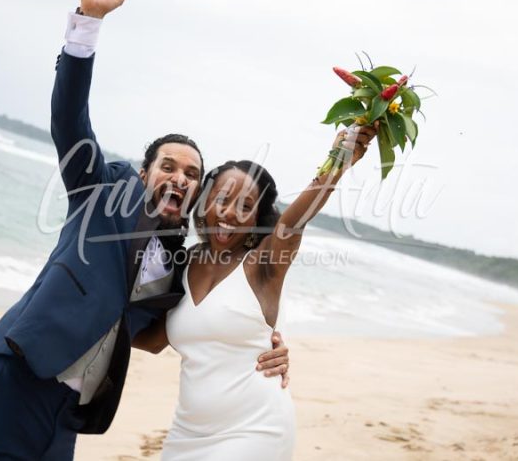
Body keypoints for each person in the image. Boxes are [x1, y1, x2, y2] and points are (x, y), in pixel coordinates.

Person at [0, 0, 289, 460]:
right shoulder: (100, 192)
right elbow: (69, 117)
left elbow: (175, 330)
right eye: (167, 166)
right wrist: (87, 24)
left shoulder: (177, 267)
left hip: (69, 415)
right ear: (144, 172)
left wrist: (266, 346)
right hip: (12, 381)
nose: (179, 177)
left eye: (192, 174)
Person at [134, 136, 376, 458]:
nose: (229, 213)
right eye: (221, 198)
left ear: (256, 219)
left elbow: (294, 221)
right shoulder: (184, 262)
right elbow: (152, 340)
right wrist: (88, 324)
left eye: (245, 206)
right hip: (186, 433)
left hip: (255, 430)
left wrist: (340, 159)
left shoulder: (263, 265)